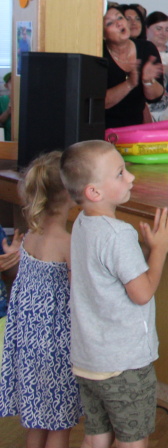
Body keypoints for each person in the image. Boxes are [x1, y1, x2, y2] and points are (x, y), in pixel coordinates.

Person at [63, 140, 168, 448]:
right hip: (123, 364)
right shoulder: (118, 234)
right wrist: (159, 250)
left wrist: (146, 252)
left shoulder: (81, 223)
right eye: (120, 173)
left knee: (96, 436)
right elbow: (142, 293)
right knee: (132, 441)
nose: (131, 177)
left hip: (88, 360)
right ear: (94, 192)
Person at [0, 153, 82, 447]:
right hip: (57, 347)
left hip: (27, 343)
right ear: (70, 195)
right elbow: (79, 296)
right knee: (60, 423)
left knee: (37, 420)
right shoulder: (68, 243)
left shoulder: (30, 237)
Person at [103, 5, 164, 129]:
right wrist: (130, 83)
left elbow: (156, 97)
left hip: (136, 128)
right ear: (103, 34)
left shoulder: (146, 48)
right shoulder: (99, 54)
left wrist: (148, 81)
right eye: (110, 23)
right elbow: (100, 103)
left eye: (120, 18)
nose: (119, 23)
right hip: (105, 129)